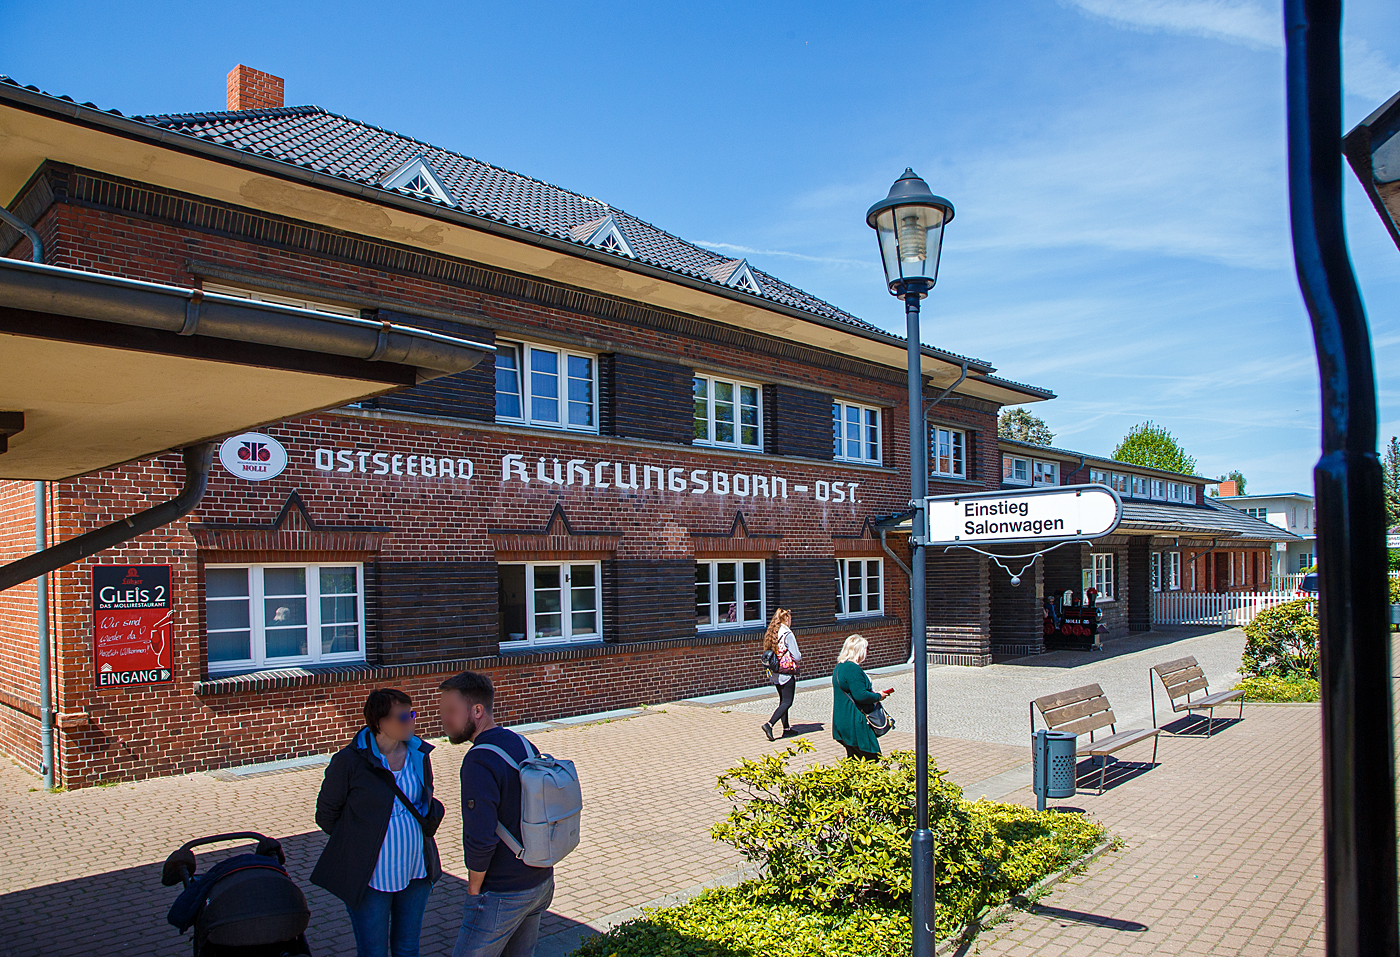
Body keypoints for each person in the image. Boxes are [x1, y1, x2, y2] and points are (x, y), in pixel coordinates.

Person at [312, 688, 443, 957]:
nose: (411, 722)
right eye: (403, 717)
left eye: (412, 714)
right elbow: (326, 815)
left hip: (415, 869)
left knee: (407, 948)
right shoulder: (349, 762)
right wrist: (360, 842)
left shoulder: (419, 754)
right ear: (380, 723)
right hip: (371, 876)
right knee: (374, 951)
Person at [440, 671, 554, 957]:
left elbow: (480, 837)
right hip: (539, 880)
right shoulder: (522, 743)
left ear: (477, 710)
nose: (444, 720)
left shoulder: (479, 761)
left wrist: (473, 891)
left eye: (451, 711)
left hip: (502, 892)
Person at [831, 634, 890, 760]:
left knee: (854, 759)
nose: (867, 652)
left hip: (842, 720)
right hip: (855, 721)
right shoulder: (853, 669)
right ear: (859, 650)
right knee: (871, 758)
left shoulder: (840, 666)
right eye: (866, 649)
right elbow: (860, 695)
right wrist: (878, 696)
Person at [761, 608, 802, 740]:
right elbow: (796, 656)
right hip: (786, 671)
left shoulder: (772, 632)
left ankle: (786, 728)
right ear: (786, 619)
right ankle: (769, 724)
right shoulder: (787, 634)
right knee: (787, 701)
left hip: (775, 671)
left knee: (782, 700)